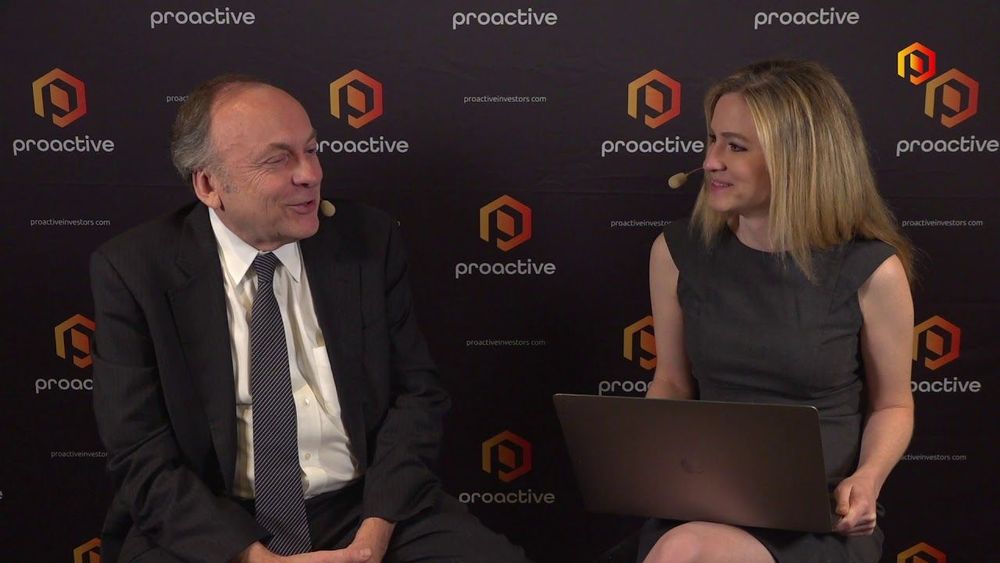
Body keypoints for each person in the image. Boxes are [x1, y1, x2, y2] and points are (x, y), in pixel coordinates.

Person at [90, 75, 529, 563]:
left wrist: (371, 540)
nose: (310, 175)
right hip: (211, 520)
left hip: (364, 507)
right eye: (278, 160)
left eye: (312, 150)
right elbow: (140, 454)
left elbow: (417, 396)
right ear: (209, 185)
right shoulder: (135, 270)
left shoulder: (368, 240)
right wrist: (255, 560)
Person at [639, 60, 915, 563]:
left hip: (819, 516)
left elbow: (892, 405)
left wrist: (868, 479)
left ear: (799, 159)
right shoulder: (675, 252)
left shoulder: (872, 270)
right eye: (712, 140)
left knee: (688, 553)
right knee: (683, 546)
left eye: (735, 147)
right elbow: (672, 383)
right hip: (703, 501)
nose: (711, 162)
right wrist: (651, 466)